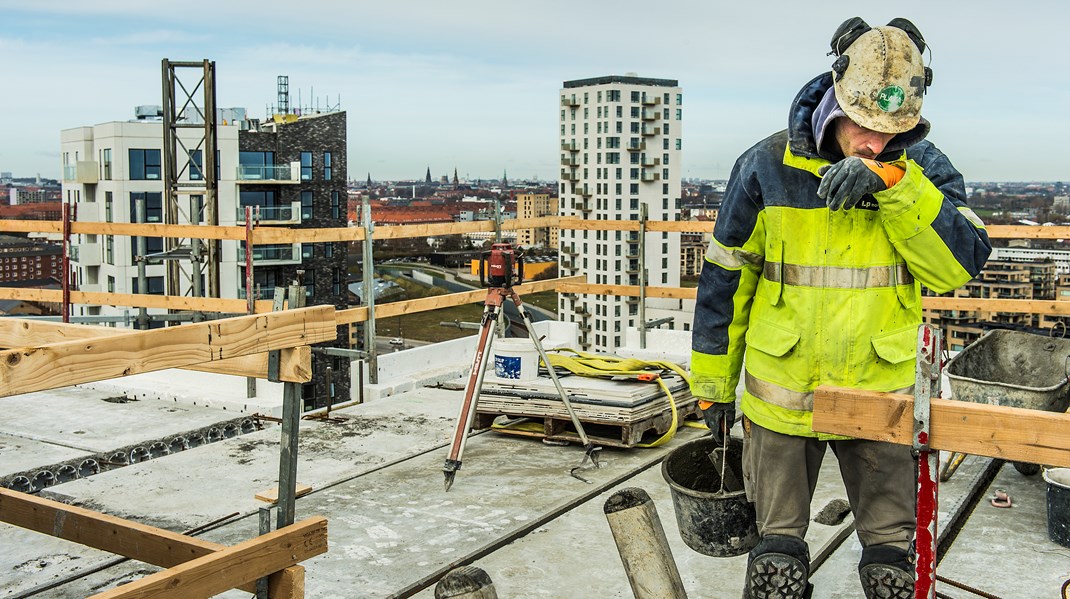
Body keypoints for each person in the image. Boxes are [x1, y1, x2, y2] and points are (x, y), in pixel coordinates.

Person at [690, 17, 991, 599]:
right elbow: (725, 282)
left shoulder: (920, 168)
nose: (876, 142)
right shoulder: (766, 166)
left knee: (888, 556)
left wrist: (894, 184)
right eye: (864, 128)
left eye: (890, 133)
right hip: (784, 388)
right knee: (776, 554)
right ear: (835, 99)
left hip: (878, 393)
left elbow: (958, 264)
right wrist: (713, 388)